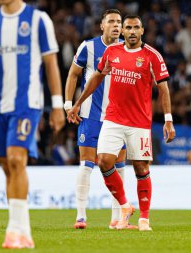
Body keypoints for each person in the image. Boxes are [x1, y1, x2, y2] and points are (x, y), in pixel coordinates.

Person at [0, 0, 65, 249]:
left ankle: (14, 230)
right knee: (6, 166)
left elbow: (51, 63)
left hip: (27, 103)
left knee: (16, 159)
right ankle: (24, 229)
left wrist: (56, 104)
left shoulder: (38, 20)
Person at [67, 15, 176, 231]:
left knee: (141, 167)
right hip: (113, 119)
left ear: (142, 30)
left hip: (139, 122)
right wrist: (78, 103)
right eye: (128, 27)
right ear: (123, 32)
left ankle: (144, 218)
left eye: (136, 27)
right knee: (104, 161)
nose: (132, 31)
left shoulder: (152, 56)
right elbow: (96, 78)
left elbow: (163, 88)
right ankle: (125, 207)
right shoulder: (111, 52)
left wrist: (168, 119)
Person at [63, 9, 135, 230]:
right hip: (91, 115)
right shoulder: (89, 47)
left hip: (118, 118)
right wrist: (68, 104)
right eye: (111, 21)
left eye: (119, 22)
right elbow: (74, 74)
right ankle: (81, 216)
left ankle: (117, 219)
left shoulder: (129, 49)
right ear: (102, 26)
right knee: (87, 164)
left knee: (118, 167)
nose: (116, 25)